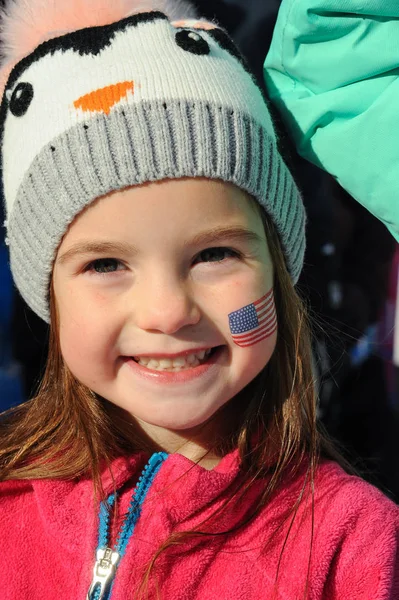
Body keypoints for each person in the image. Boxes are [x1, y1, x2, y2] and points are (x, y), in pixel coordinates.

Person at [0, 1, 398, 599]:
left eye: (214, 255)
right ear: (46, 293)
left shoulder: (351, 548)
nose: (167, 312)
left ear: (278, 267)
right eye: (106, 263)